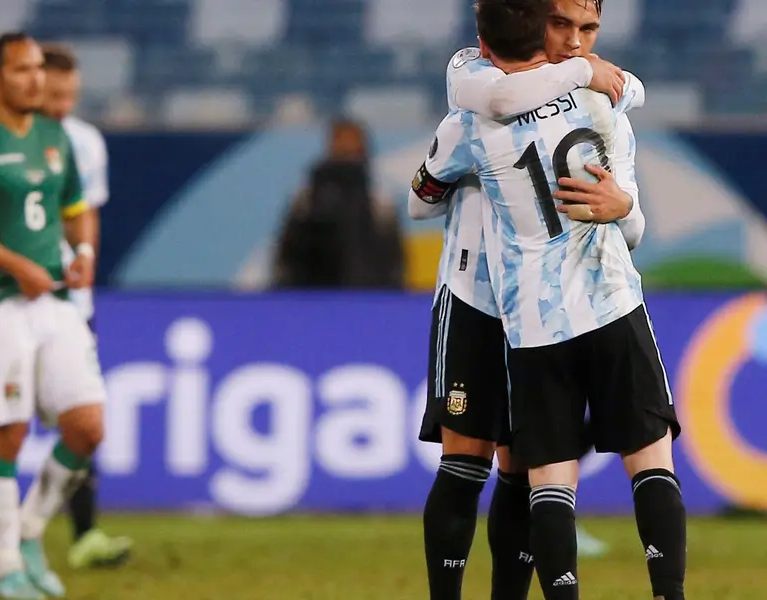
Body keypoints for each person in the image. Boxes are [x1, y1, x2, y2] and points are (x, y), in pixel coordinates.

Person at [413, 1, 684, 598]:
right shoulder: (479, 86)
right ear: (537, 24)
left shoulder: (586, 107)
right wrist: (588, 73)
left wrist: (624, 208)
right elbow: (424, 194)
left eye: (588, 31)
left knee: (521, 468)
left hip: (541, 307)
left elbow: (629, 220)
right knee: (466, 463)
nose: (573, 42)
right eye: (562, 26)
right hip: (474, 294)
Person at [0, 32, 107, 600]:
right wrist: (15, 266)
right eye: (23, 70)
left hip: (54, 300)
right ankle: (7, 566)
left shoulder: (56, 138)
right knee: (4, 436)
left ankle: (30, 531)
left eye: (38, 69)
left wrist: (81, 254)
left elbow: (76, 208)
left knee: (87, 426)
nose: (36, 79)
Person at [273, 119, 404, 289]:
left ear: (364, 153)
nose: (348, 160)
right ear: (330, 151)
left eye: (354, 152)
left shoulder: (380, 203)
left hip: (365, 300)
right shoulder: (306, 201)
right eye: (342, 153)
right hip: (311, 298)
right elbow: (287, 261)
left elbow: (394, 266)